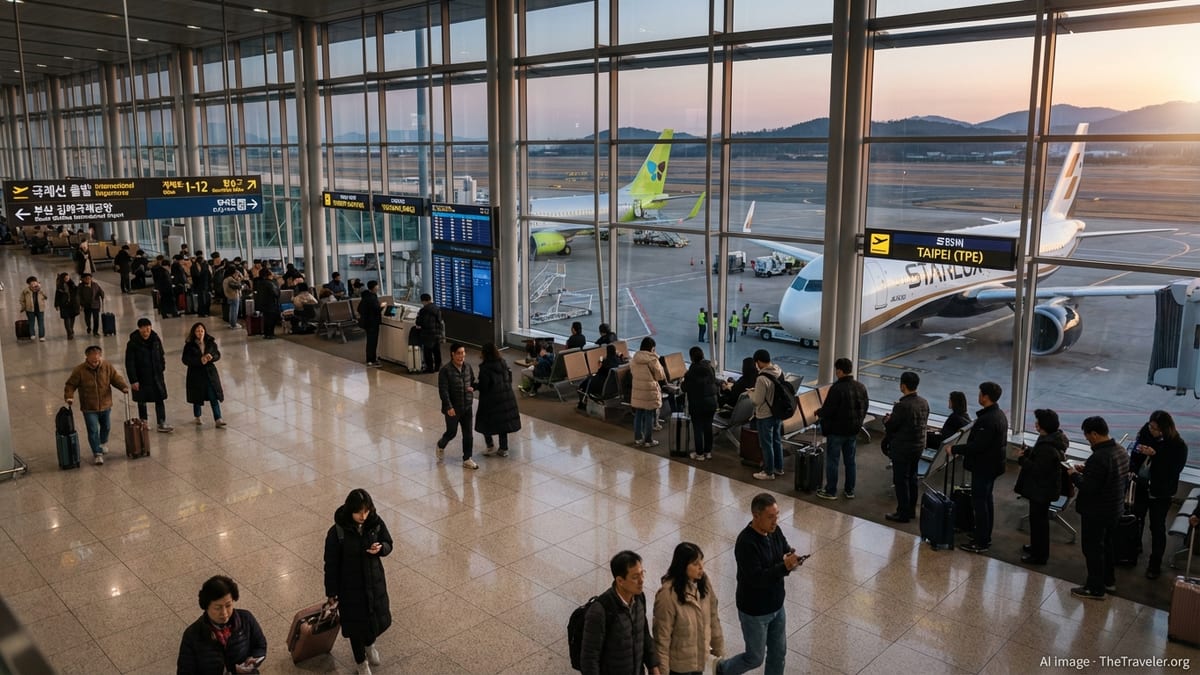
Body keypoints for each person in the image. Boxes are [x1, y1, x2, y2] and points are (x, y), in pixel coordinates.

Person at [714, 493, 803, 675]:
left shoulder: (774, 531)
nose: (775, 521)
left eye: (777, 515)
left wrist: (791, 558)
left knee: (778, 653)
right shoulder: (746, 542)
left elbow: (784, 548)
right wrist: (783, 567)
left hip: (777, 605)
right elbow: (758, 579)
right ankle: (723, 669)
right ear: (756, 516)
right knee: (755, 657)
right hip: (754, 611)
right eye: (770, 517)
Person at [324, 489, 393, 675]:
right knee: (355, 627)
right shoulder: (337, 533)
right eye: (359, 512)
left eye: (366, 511)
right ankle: (361, 662)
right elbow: (331, 565)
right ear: (350, 510)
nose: (363, 516)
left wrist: (381, 548)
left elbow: (388, 543)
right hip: (350, 588)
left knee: (372, 620)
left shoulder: (375, 523)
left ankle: (370, 645)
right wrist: (331, 592)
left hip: (374, 583)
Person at [1068, 416, 1129, 600]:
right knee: (1107, 546)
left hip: (1096, 512)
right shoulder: (1120, 450)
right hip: (1114, 508)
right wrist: (1087, 470)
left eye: (1087, 436)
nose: (1087, 440)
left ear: (1094, 433)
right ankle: (1108, 581)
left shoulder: (1100, 457)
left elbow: (1089, 488)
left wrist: (1073, 475)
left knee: (1093, 549)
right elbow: (1109, 477)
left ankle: (1095, 588)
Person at [948, 381, 1009, 553]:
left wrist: (954, 449)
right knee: (986, 500)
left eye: (980, 393)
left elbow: (977, 446)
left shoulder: (987, 420)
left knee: (980, 503)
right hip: (994, 465)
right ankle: (984, 535)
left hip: (984, 466)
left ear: (986, 396)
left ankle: (981, 541)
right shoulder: (999, 415)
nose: (978, 396)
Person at [579, 550, 660, 675]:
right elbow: (589, 658)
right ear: (620, 581)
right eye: (635, 577)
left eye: (642, 573)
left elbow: (644, 633)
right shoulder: (600, 610)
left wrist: (653, 666)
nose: (641, 580)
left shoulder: (639, 598)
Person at [1130, 410, 1188, 579]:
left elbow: (1174, 470)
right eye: (1151, 426)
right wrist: (1134, 466)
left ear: (1165, 428)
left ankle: (1154, 564)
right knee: (1136, 519)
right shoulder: (1145, 433)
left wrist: (1156, 455)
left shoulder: (1178, 445)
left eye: (1156, 429)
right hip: (1141, 485)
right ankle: (1133, 550)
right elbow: (1134, 454)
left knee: (1157, 526)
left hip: (1161, 492)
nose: (1152, 431)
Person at [652, 542, 724, 675]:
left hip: (698, 661)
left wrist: (719, 650)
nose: (701, 567)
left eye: (701, 562)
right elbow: (662, 639)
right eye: (695, 564)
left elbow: (713, 618)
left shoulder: (704, 584)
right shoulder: (667, 595)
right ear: (682, 566)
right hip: (678, 666)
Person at [177, 575, 267, 675]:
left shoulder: (246, 619)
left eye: (228, 605)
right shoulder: (192, 635)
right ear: (206, 607)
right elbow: (184, 671)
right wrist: (231, 670)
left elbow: (260, 645)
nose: (224, 613)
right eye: (217, 608)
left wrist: (254, 658)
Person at [1014, 408, 1068, 565]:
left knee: (1039, 522)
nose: (1035, 423)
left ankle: (1039, 555)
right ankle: (1037, 547)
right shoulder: (1052, 440)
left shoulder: (1047, 447)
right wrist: (1030, 452)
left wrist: (1023, 460)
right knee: (1038, 520)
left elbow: (1038, 470)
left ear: (1043, 425)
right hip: (1044, 488)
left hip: (1041, 490)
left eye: (1038, 421)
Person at [64, 345, 130, 465]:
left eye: (97, 358)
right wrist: (69, 396)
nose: (95, 361)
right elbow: (70, 384)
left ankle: (103, 442)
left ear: (100, 356)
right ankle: (97, 453)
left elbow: (115, 378)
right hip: (89, 407)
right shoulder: (80, 370)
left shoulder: (106, 366)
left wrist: (123, 387)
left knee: (107, 426)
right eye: (93, 359)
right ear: (87, 357)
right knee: (93, 430)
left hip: (105, 404)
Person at [815, 357, 869, 500]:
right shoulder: (860, 387)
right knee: (850, 461)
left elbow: (828, 410)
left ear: (839, 371)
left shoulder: (837, 389)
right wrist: (859, 422)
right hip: (853, 430)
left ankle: (831, 491)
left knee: (833, 460)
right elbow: (865, 407)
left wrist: (818, 412)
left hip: (837, 431)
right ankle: (849, 490)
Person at [883, 371, 929, 523]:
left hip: (902, 448)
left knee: (901, 480)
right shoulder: (923, 402)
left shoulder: (902, 406)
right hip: (918, 446)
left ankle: (902, 512)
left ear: (903, 386)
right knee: (912, 478)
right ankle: (910, 510)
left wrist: (887, 420)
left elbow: (892, 427)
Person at [124, 317, 174, 433]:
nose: (147, 330)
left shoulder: (155, 340)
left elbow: (161, 355)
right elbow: (129, 363)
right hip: (141, 377)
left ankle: (161, 422)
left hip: (156, 375)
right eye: (144, 327)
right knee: (142, 400)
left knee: (159, 398)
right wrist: (133, 380)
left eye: (148, 327)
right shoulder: (133, 343)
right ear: (139, 329)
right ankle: (144, 422)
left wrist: (161, 367)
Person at [475, 342, 521, 458]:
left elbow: (484, 386)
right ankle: (503, 448)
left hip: (491, 399)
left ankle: (490, 446)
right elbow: (509, 378)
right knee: (503, 423)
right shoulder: (503, 363)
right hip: (506, 397)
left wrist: (474, 386)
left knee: (485, 422)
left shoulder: (485, 368)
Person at [437, 343, 478, 469]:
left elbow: (472, 380)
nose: (461, 356)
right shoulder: (445, 370)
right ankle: (441, 444)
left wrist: (474, 387)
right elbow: (443, 390)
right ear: (452, 354)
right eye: (459, 353)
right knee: (452, 432)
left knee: (468, 434)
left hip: (467, 406)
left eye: (463, 353)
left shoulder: (468, 367)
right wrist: (449, 407)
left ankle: (467, 458)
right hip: (453, 409)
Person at [749, 349, 785, 481]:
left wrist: (751, 394)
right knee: (777, 440)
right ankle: (779, 468)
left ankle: (768, 472)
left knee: (766, 444)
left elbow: (757, 401)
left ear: (758, 361)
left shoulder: (762, 378)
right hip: (777, 412)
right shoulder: (779, 371)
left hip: (765, 415)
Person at [182, 322, 226, 428]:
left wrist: (212, 357)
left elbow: (217, 354)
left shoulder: (210, 343)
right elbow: (185, 359)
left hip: (210, 374)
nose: (200, 333)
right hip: (196, 375)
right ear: (194, 332)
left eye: (202, 331)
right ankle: (197, 416)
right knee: (197, 397)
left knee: (213, 396)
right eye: (197, 331)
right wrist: (199, 360)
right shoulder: (189, 345)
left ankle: (218, 418)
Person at [681, 346, 719, 461]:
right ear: (702, 355)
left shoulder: (691, 372)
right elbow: (714, 382)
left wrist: (683, 380)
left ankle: (699, 454)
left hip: (697, 403)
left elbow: (684, 388)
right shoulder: (710, 368)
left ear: (691, 358)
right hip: (711, 402)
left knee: (698, 428)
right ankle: (708, 452)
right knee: (708, 427)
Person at [630, 337, 666, 448]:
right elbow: (660, 375)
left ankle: (637, 438)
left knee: (639, 414)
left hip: (637, 389)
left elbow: (633, 372)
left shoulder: (634, 358)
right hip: (649, 390)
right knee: (649, 414)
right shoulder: (652, 360)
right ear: (652, 348)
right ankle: (648, 440)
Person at [414, 293, 444, 373]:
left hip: (428, 334)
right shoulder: (437, 308)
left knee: (428, 352)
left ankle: (430, 368)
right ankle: (438, 367)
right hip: (437, 333)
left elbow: (420, 322)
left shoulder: (423, 310)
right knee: (437, 351)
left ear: (423, 301)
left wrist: (417, 318)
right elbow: (440, 320)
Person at [358, 280, 383, 367]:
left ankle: (371, 359)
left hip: (367, 322)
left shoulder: (366, 296)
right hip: (372, 323)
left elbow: (359, 309)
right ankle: (371, 360)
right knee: (372, 341)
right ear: (374, 287)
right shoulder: (372, 298)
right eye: (377, 285)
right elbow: (376, 309)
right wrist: (381, 306)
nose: (378, 287)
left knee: (370, 341)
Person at [253, 268, 281, 339]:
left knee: (266, 319)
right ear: (268, 274)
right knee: (271, 319)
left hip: (263, 304)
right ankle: (270, 334)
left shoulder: (260, 282)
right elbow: (276, 293)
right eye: (271, 272)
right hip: (271, 304)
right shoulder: (270, 283)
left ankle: (267, 334)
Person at [19, 276, 48, 341]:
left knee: (41, 323)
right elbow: (21, 299)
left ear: (36, 282)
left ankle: (42, 336)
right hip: (30, 310)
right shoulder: (26, 291)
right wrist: (24, 307)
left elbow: (46, 297)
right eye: (31, 283)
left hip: (40, 309)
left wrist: (40, 289)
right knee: (31, 322)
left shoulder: (40, 289)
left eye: (34, 282)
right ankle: (32, 334)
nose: (33, 284)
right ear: (29, 284)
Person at [54, 272, 80, 340]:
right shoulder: (60, 287)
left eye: (68, 277)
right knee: (66, 319)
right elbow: (57, 296)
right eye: (66, 278)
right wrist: (56, 305)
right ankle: (69, 332)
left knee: (72, 318)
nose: (67, 279)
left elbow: (77, 292)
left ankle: (71, 329)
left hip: (73, 304)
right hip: (64, 305)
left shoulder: (72, 284)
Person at [192, 252, 212, 317]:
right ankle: (203, 312)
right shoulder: (195, 266)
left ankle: (204, 312)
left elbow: (209, 276)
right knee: (203, 300)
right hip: (201, 285)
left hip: (203, 285)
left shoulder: (204, 265)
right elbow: (196, 276)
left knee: (204, 299)